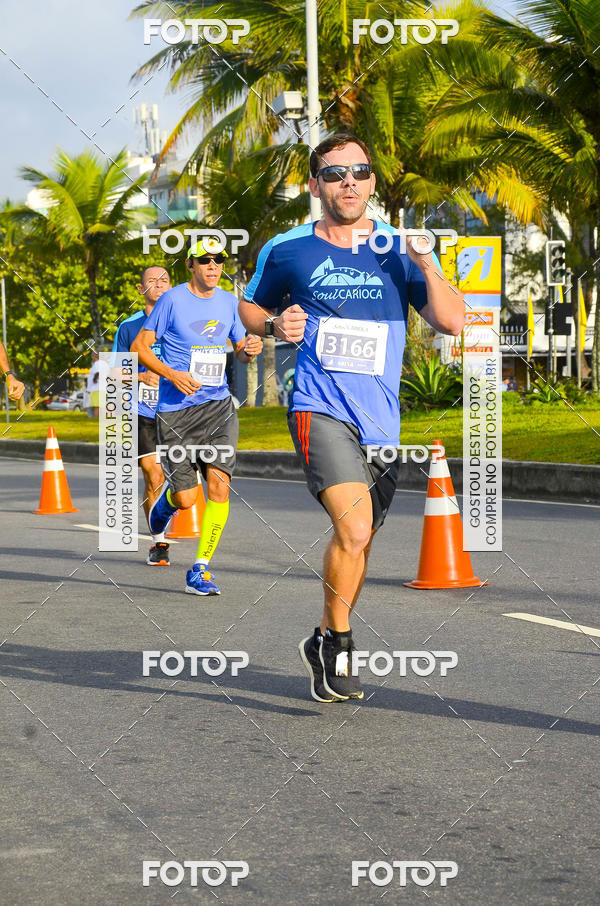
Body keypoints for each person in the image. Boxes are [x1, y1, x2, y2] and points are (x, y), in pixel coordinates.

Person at [239, 132, 465, 703]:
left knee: (359, 543)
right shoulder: (288, 249)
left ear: (371, 182)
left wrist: (425, 262)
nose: (349, 183)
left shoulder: (397, 247)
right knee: (355, 527)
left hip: (381, 419)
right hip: (318, 406)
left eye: (360, 172)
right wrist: (272, 327)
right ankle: (339, 641)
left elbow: (453, 321)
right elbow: (249, 306)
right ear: (315, 185)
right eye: (336, 173)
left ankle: (321, 637)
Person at [131, 240, 263, 595]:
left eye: (218, 260)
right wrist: (172, 374)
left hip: (218, 407)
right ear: (190, 264)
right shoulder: (172, 300)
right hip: (176, 413)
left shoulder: (228, 302)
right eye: (204, 260)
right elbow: (138, 348)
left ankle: (200, 568)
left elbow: (239, 350)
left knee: (219, 486)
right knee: (188, 498)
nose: (213, 266)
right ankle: (167, 504)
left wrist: (249, 348)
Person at [112, 266, 171, 565]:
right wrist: (140, 377)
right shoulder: (129, 327)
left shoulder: (180, 320)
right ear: (140, 289)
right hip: (143, 411)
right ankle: (158, 542)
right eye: (153, 281)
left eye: (165, 281)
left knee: (183, 484)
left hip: (180, 409)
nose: (159, 285)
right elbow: (114, 372)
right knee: (153, 472)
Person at [86, 351, 110, 417]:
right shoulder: (105, 364)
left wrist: (94, 379)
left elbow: (97, 372)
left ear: (95, 356)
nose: (92, 357)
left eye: (92, 356)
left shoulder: (97, 364)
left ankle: (96, 418)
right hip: (103, 387)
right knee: (102, 405)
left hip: (97, 388)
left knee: (97, 406)